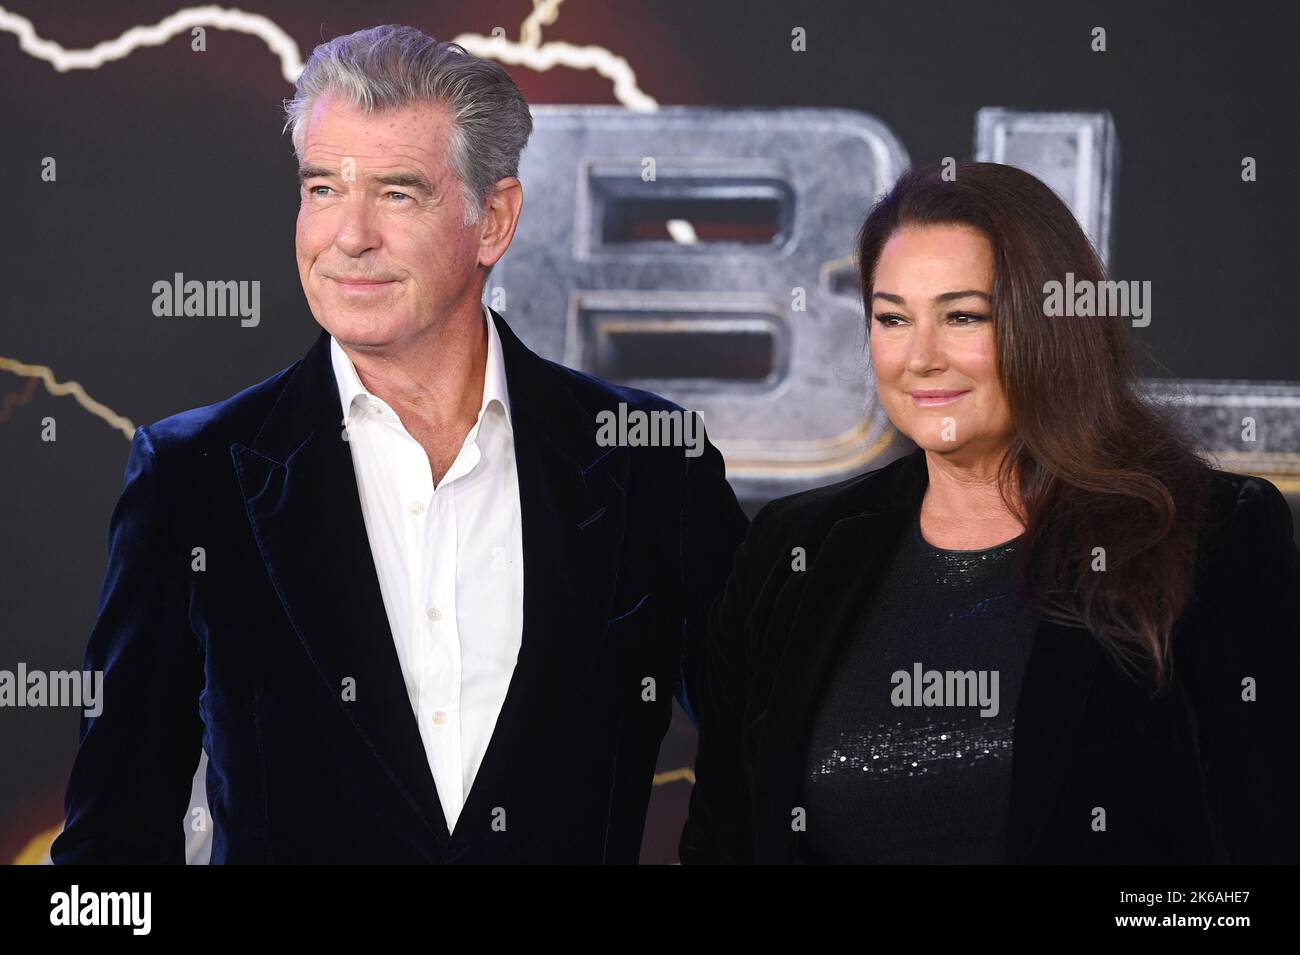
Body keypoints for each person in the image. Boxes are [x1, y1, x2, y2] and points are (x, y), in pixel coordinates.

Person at [52, 24, 746, 864]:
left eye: (396, 193)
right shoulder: (191, 478)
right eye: (322, 188)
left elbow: (766, 750)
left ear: (492, 220)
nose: (348, 236)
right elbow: (107, 844)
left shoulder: (649, 461)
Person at [679, 160, 1300, 864]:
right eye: (892, 318)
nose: (920, 358)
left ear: (1048, 325)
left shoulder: (1207, 535)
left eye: (963, 316)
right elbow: (721, 843)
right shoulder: (790, 552)